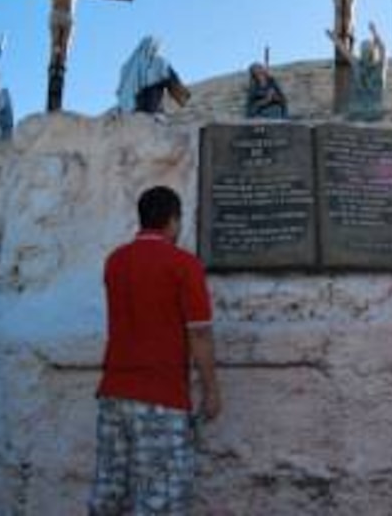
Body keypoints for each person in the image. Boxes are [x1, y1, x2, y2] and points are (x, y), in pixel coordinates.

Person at [89, 186, 221, 515]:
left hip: (113, 394)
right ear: (173, 220)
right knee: (161, 498)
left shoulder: (115, 262)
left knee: (109, 491)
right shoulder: (184, 264)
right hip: (161, 397)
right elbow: (200, 334)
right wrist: (211, 389)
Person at [326, 21, 387, 120]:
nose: (364, 53)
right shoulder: (358, 64)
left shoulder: (379, 67)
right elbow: (345, 51)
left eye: (367, 50)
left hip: (374, 108)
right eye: (363, 50)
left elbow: (383, 49)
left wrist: (375, 32)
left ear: (372, 53)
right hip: (357, 108)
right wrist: (335, 39)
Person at [116, 36, 192, 114]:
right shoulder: (158, 61)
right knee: (166, 73)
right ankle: (186, 101)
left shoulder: (127, 66)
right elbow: (172, 80)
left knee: (161, 77)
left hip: (129, 107)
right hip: (150, 106)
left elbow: (119, 91)